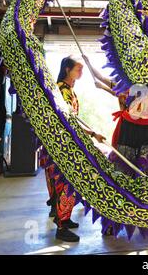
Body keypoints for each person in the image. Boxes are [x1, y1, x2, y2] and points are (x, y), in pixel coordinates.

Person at [43, 56, 106, 242]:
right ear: (67, 69)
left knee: (68, 184)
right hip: (64, 146)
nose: (81, 72)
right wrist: (92, 134)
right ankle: (61, 227)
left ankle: (65, 219)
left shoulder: (68, 89)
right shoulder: (62, 90)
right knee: (68, 183)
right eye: (78, 69)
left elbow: (73, 119)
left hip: (67, 143)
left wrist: (92, 134)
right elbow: (69, 121)